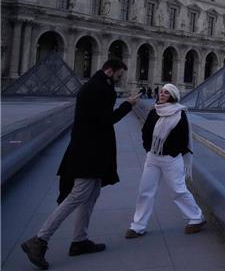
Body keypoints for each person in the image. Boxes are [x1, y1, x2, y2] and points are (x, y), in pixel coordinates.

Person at [21, 59, 140, 270]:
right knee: (77, 195)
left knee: (92, 194)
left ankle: (79, 240)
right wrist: (127, 105)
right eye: (119, 75)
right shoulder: (99, 89)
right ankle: (39, 240)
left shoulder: (95, 86)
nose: (120, 79)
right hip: (89, 153)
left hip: (90, 151)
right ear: (109, 71)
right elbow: (107, 119)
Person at [125, 83, 205, 239]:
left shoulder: (179, 113)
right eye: (161, 92)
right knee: (145, 191)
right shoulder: (154, 111)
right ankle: (138, 226)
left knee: (178, 190)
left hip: (171, 158)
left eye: (166, 92)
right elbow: (146, 131)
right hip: (153, 156)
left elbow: (183, 138)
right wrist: (148, 147)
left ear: (172, 96)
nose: (162, 94)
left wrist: (172, 151)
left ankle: (197, 218)